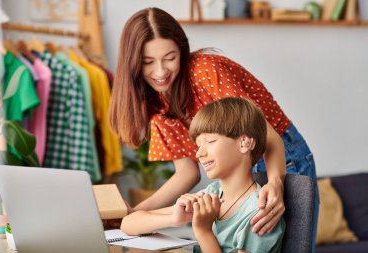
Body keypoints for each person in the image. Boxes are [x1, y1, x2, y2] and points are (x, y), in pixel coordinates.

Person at [109, 7, 318, 248]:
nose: (160, 71)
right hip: (239, 172)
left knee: (291, 244)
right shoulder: (158, 102)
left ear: (182, 50)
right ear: (133, 63)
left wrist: (275, 183)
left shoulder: (204, 71)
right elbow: (187, 173)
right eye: (148, 62)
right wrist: (134, 211)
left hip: (280, 156)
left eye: (170, 58)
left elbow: (268, 139)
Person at [121, 97, 285, 253]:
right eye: (198, 145)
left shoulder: (260, 213)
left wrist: (203, 231)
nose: (199, 153)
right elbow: (128, 223)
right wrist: (175, 218)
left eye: (210, 141)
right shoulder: (212, 193)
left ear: (244, 143)